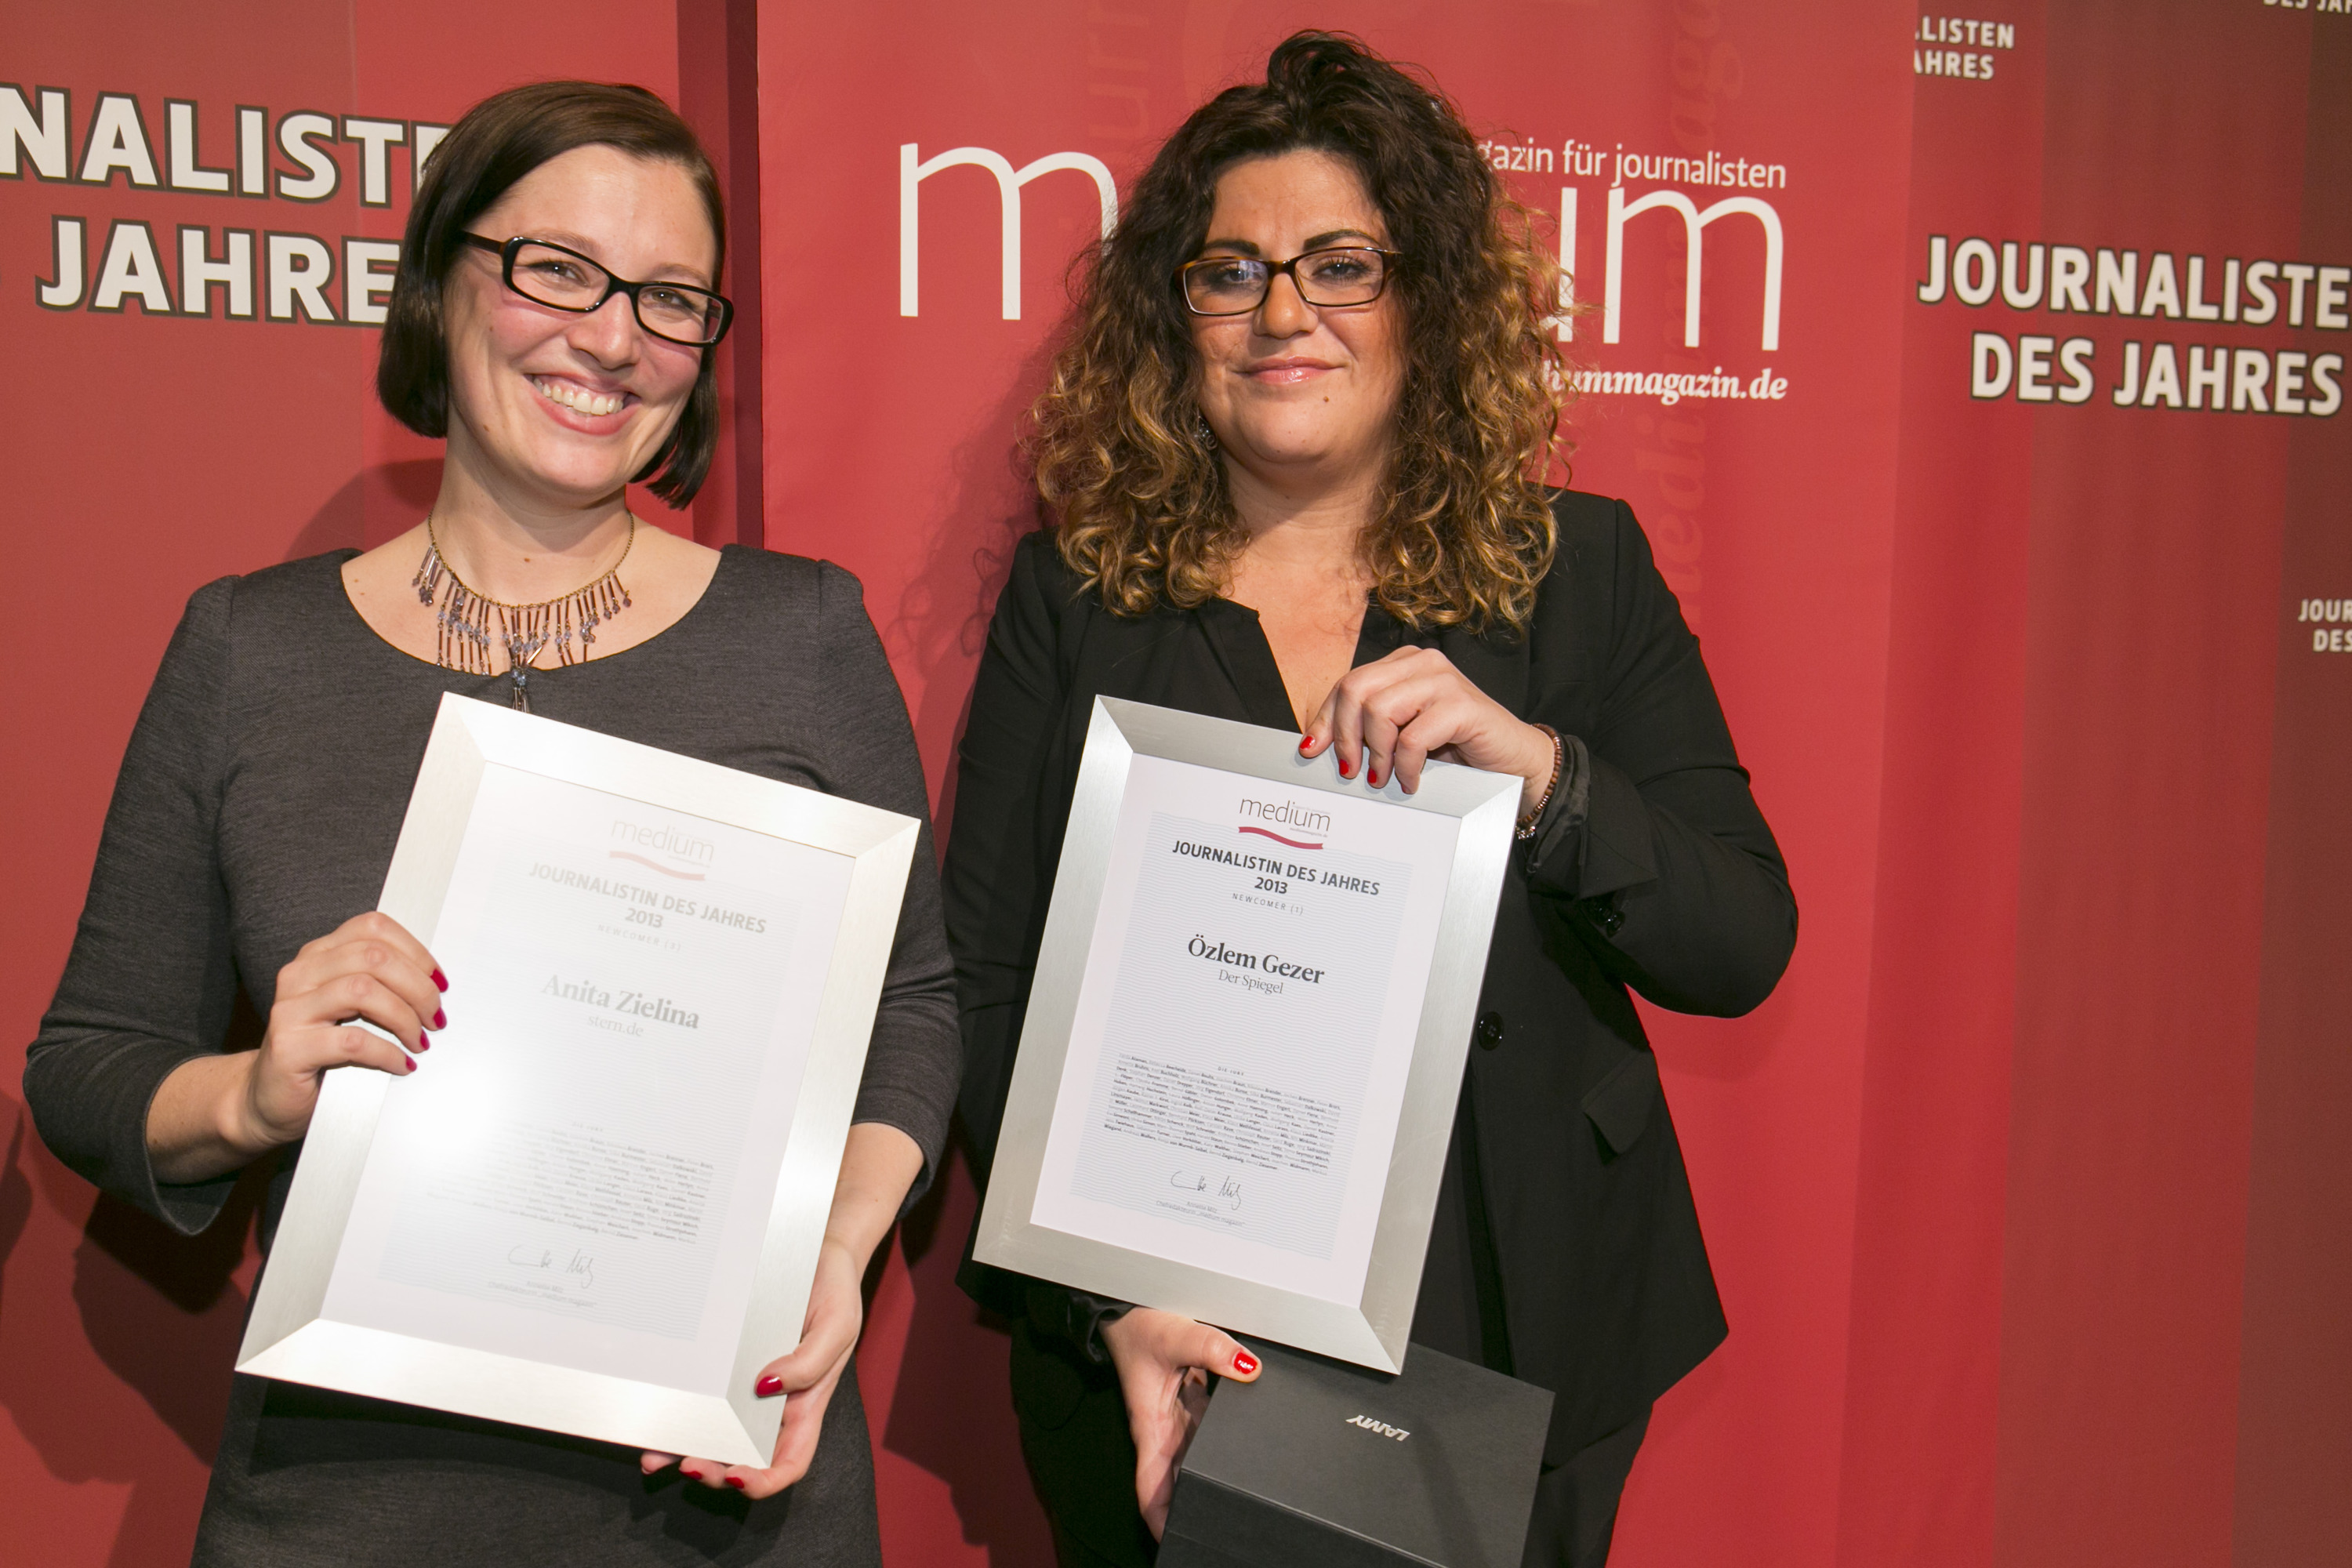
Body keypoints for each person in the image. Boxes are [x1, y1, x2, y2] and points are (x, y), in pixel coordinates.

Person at [22, 81, 956, 1566]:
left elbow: (912, 1003)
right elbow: (84, 1071)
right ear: (441, 280)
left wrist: (831, 1254)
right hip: (352, 1504)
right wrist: (261, 1096)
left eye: (670, 298)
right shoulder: (247, 653)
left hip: (726, 1491)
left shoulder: (806, 635)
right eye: (558, 271)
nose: (611, 338)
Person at [947, 33, 1796, 1568]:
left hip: (1512, 1304)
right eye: (1233, 273)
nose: (1286, 314)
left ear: (1430, 303)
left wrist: (1543, 778)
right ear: (1174, 318)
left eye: (1343, 264)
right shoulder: (1076, 594)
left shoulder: (1576, 570)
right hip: (1179, 1329)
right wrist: (1106, 1295)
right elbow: (989, 985)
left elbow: (1741, 941)